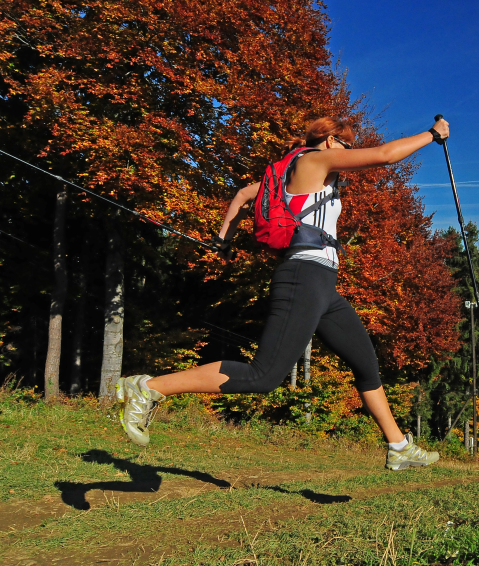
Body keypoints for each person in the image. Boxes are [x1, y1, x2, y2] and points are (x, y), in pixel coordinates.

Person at [116, 116, 450, 471]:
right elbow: (384, 155)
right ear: (330, 141)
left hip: (323, 284)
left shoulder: (291, 173)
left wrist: (224, 239)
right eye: (347, 145)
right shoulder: (315, 160)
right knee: (264, 376)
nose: (349, 151)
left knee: (365, 364)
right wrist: (432, 135)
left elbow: (244, 195)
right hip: (303, 276)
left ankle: (398, 446)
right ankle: (149, 387)